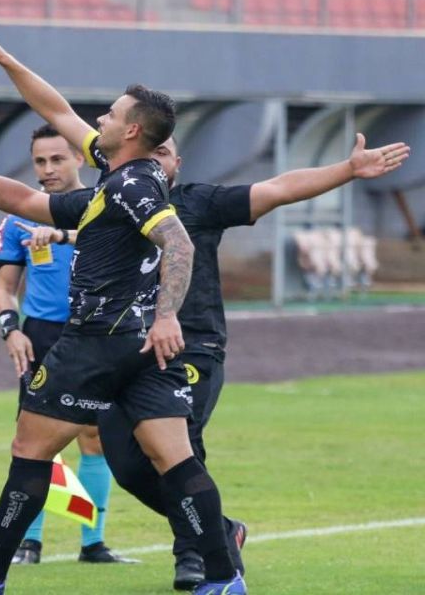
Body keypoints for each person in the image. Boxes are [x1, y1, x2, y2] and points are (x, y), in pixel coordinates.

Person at [0, 19, 244, 595]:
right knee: (177, 459)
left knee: (29, 448)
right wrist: (3, 66)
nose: (99, 120)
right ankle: (222, 578)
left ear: (134, 130)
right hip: (141, 346)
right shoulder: (118, 173)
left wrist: (170, 313)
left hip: (98, 339)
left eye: (112, 116)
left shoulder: (131, 186)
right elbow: (33, 177)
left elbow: (179, 242)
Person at [24, 132, 410, 588]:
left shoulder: (199, 203)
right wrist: (4, 59)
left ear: (177, 163)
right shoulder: (113, 198)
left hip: (193, 348)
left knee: (180, 446)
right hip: (129, 348)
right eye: (151, 152)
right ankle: (222, 531)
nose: (156, 161)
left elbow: (280, 188)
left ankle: (194, 557)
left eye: (165, 153)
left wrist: (347, 169)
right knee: (127, 465)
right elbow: (60, 119)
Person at [0, 124, 135, 566]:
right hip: (42, 336)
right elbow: (4, 287)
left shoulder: (104, 206)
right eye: (39, 161)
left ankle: (93, 543)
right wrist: (10, 329)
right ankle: (29, 542)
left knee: (95, 439)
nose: (48, 169)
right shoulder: (20, 216)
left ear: (79, 158)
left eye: (57, 159)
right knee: (36, 440)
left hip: (97, 333)